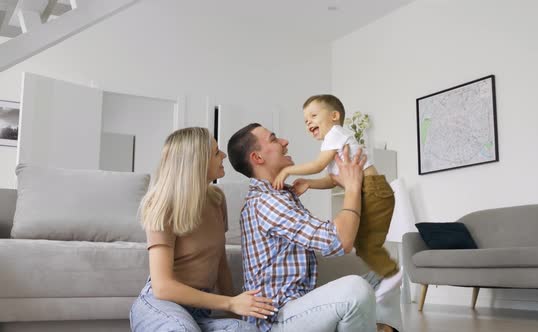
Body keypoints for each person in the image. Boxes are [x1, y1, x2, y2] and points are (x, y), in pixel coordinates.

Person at [227, 123, 402, 332]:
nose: (285, 142)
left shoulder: (281, 195)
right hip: (277, 321)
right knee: (356, 289)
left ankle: (381, 328)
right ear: (257, 158)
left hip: (300, 304)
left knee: (384, 269)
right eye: (274, 139)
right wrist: (353, 188)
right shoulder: (266, 202)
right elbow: (339, 240)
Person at [130, 127, 277, 332]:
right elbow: (162, 287)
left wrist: (239, 313)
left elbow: (220, 264)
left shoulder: (216, 198)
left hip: (199, 312)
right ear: (196, 162)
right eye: (216, 152)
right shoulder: (162, 204)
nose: (224, 155)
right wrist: (229, 302)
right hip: (160, 304)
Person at [273, 94, 401, 294]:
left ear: (334, 116)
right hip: (368, 191)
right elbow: (333, 179)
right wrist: (309, 184)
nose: (309, 123)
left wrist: (287, 171)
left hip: (373, 190)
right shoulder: (333, 146)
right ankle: (383, 276)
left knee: (367, 245)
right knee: (362, 244)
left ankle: (391, 274)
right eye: (306, 121)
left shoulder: (335, 134)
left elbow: (317, 165)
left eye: (314, 116)